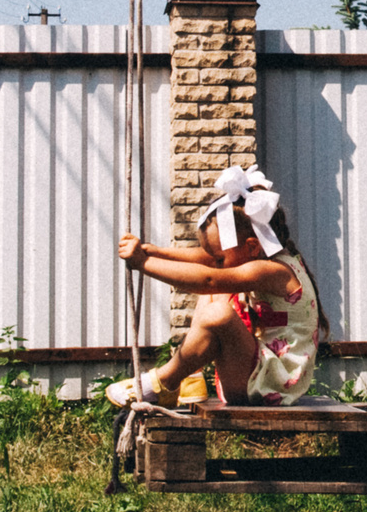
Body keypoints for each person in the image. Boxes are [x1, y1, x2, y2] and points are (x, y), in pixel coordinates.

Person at [108, 165, 327, 408]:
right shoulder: (267, 258)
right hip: (255, 374)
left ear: (253, 247)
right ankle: (191, 378)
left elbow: (208, 279)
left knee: (217, 308)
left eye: (221, 258)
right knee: (216, 297)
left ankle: (165, 381)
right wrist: (158, 253)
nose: (217, 264)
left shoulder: (272, 271)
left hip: (268, 387)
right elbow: (209, 260)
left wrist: (144, 263)